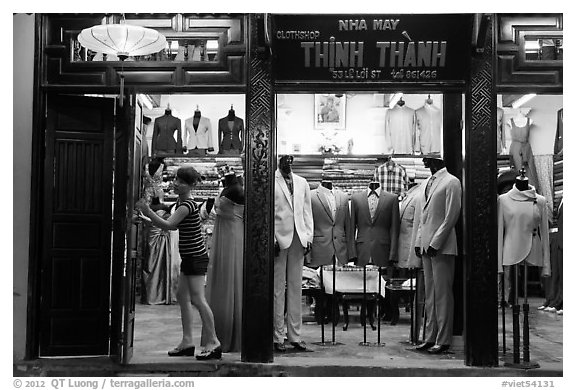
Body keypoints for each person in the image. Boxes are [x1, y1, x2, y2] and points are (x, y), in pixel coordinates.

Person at [136, 166, 221, 360]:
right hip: (189, 257)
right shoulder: (181, 202)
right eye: (176, 179)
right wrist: (145, 217)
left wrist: (148, 210)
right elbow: (171, 227)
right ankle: (187, 341)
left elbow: (169, 225)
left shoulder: (187, 205)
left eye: (181, 182)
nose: (176, 183)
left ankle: (214, 342)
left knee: (198, 300)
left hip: (195, 257)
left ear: (190, 185)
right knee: (183, 298)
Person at [414, 156, 462, 354]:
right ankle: (429, 336)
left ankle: (443, 339)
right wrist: (419, 241)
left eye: (426, 158)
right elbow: (423, 216)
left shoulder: (452, 182)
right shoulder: (426, 183)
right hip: (426, 246)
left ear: (436, 160)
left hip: (442, 246)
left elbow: (452, 215)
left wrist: (436, 242)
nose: (424, 161)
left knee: (442, 293)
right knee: (430, 295)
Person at [202, 168, 245, 352]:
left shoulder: (237, 190)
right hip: (222, 237)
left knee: (231, 278)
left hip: (233, 237)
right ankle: (219, 331)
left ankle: (231, 333)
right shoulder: (227, 188)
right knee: (222, 280)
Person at [274, 155, 314, 352]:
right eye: (284, 161)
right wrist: (271, 238)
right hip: (279, 239)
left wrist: (309, 236)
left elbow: (307, 211)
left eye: (290, 161)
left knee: (297, 289)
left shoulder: (302, 182)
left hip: (299, 238)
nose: (287, 164)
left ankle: (295, 336)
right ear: (278, 162)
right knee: (277, 289)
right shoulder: (270, 181)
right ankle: (277, 336)